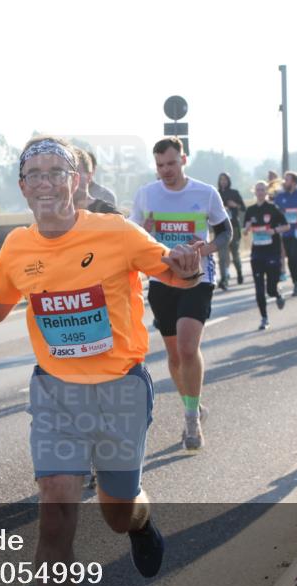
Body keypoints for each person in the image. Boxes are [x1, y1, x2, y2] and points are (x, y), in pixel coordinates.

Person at [0, 137, 202, 586]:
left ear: (76, 181)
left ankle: (141, 522)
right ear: (23, 187)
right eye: (36, 173)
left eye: (59, 172)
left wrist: (188, 263)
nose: (48, 182)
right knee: (55, 510)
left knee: (117, 512)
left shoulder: (116, 232)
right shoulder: (19, 248)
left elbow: (174, 272)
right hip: (55, 391)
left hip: (121, 387)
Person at [130, 137, 229, 452]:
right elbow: (131, 237)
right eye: (160, 166)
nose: (165, 171)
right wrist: (144, 230)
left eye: (171, 164)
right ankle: (194, 403)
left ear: (183, 160)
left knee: (188, 348)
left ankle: (191, 420)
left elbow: (227, 231)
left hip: (197, 277)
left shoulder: (204, 193)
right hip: (162, 280)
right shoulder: (146, 194)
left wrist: (208, 249)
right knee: (174, 356)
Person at [243, 181, 288, 330]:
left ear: (267, 192)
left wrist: (274, 231)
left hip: (272, 252)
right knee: (259, 289)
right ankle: (264, 318)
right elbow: (244, 231)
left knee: (270, 288)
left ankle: (277, 294)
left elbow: (286, 226)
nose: (260, 192)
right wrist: (246, 228)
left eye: (263, 189)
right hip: (257, 253)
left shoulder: (273, 208)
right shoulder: (250, 210)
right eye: (258, 190)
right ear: (254, 192)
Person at [217, 172, 246, 286]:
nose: (223, 181)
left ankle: (239, 272)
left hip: (233, 226)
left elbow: (243, 208)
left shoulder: (234, 193)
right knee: (222, 255)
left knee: (235, 253)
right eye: (221, 179)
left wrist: (235, 205)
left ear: (229, 181)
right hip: (220, 228)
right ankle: (224, 279)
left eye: (225, 179)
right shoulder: (216, 194)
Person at [73, 148, 119, 214]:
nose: (72, 179)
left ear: (89, 175)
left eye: (76, 173)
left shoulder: (106, 200)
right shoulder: (58, 208)